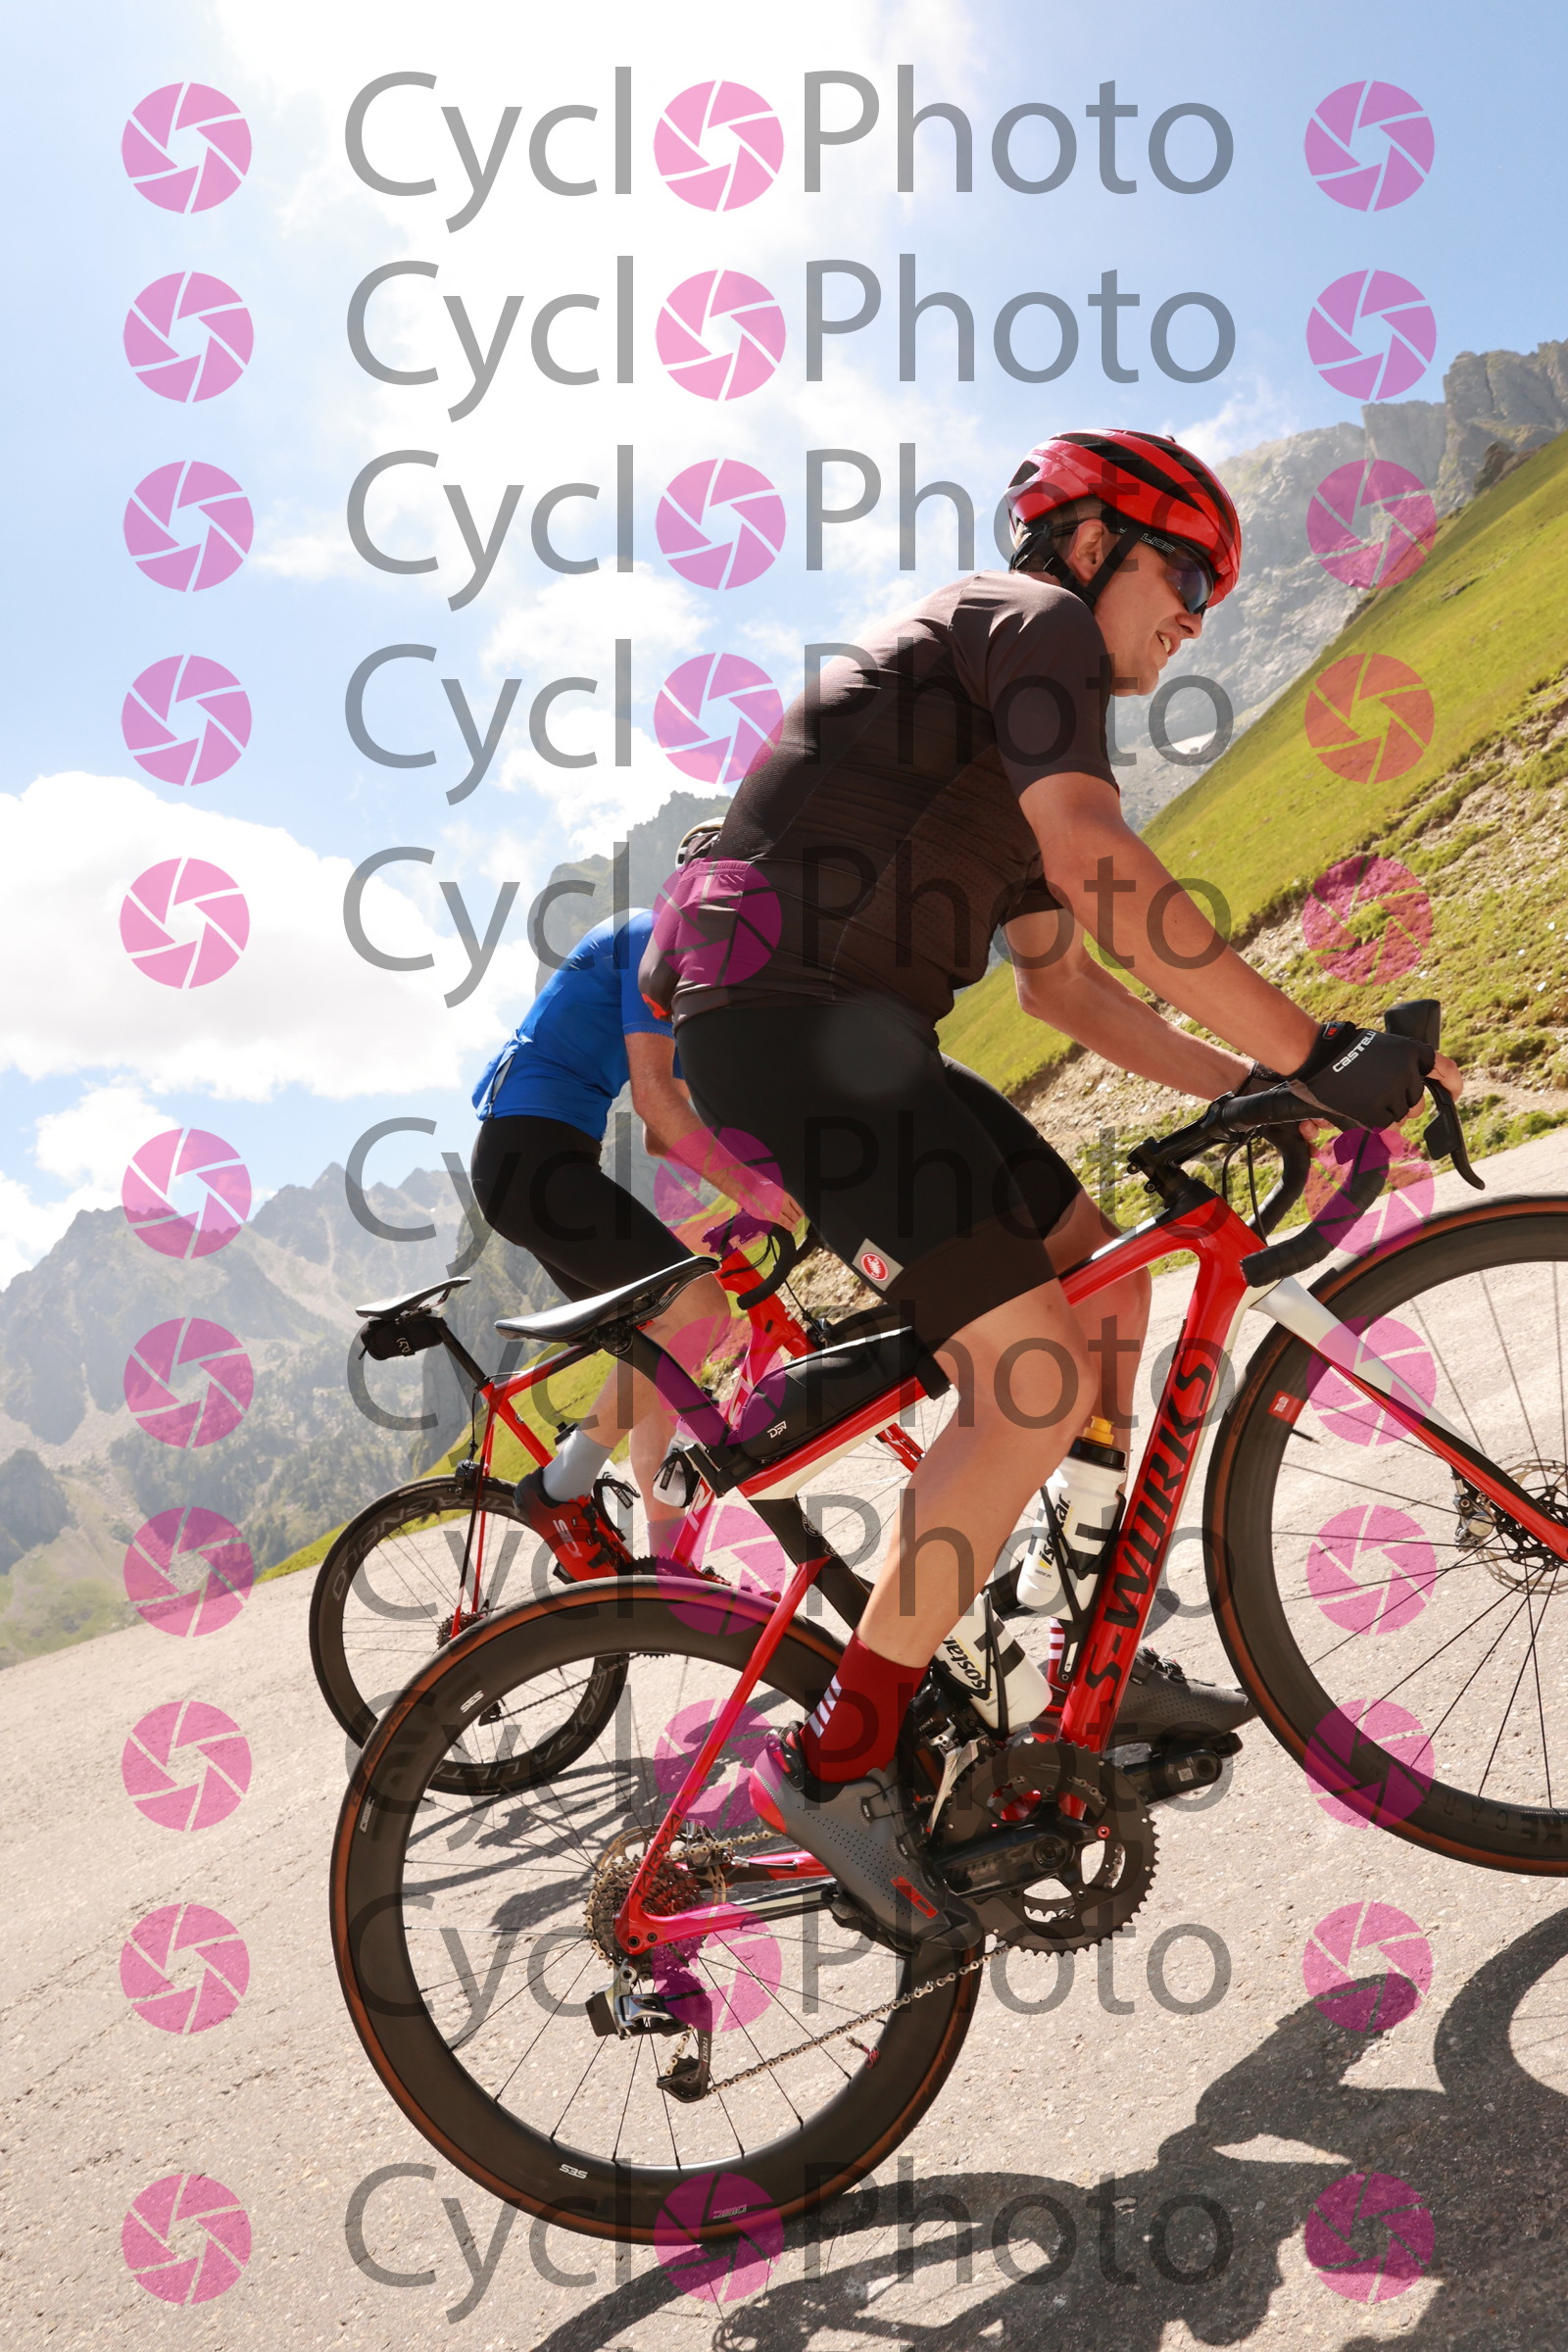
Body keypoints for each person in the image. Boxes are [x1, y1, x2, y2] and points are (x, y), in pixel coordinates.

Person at [655, 427, 1464, 1944]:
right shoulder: (1029, 626)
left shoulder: (995, 719)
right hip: (788, 1032)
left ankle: (1066, 1646)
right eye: (1189, 574)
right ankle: (833, 1764)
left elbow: (1067, 990)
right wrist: (1313, 1046)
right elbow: (1098, 861)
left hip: (856, 1035)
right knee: (1026, 1382)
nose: (1200, 616)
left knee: (1105, 1277)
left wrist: (1255, 1086)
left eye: (1218, 594)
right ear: (1091, 546)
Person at [469, 879, 801, 1566]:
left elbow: (661, 1133)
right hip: (529, 1160)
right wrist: (752, 1188)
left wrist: (763, 1179)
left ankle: (669, 1568)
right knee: (698, 1309)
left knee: (661, 1352)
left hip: (544, 1162)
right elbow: (655, 1104)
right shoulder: (653, 938)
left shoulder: (672, 963)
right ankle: (560, 1485)